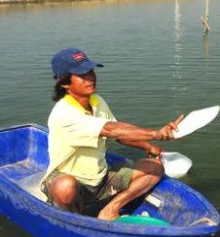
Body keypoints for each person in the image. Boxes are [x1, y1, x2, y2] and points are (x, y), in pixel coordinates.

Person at [40, 48, 184, 221]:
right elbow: (110, 129)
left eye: (90, 71)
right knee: (65, 187)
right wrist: (156, 133)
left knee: (155, 168)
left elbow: (120, 135)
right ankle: (71, 219)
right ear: (63, 82)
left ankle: (110, 209)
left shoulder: (97, 101)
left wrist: (149, 146)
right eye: (81, 75)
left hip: (100, 178)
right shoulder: (64, 114)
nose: (90, 77)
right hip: (69, 181)